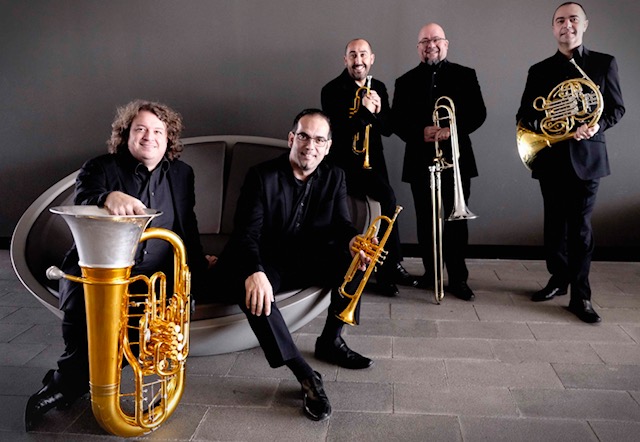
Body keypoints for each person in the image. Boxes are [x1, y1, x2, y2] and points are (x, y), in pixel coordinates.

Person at [25, 100, 216, 430]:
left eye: (158, 131)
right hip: (99, 273)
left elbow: (187, 223)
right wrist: (106, 197)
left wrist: (196, 266)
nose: (149, 137)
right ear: (126, 134)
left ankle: (83, 382)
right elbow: (84, 195)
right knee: (86, 334)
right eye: (140, 129)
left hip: (156, 275)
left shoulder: (182, 173)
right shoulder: (100, 167)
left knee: (144, 338)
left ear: (169, 138)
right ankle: (66, 383)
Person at [212, 109, 374, 422]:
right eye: (303, 136)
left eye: (319, 140)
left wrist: (354, 241)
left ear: (328, 146)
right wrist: (255, 271)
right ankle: (305, 374)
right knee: (256, 294)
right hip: (263, 259)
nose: (310, 146)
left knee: (357, 262)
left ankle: (331, 341)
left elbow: (341, 224)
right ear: (291, 139)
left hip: (304, 259)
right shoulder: (261, 176)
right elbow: (246, 233)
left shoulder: (335, 176)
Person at [516, 2, 625, 322]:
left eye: (573, 19)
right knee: (554, 227)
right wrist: (552, 122)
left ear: (584, 24)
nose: (567, 25)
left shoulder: (604, 63)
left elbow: (616, 108)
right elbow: (525, 116)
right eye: (560, 20)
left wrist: (595, 126)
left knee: (580, 230)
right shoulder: (539, 70)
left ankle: (581, 296)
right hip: (551, 156)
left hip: (587, 158)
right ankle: (558, 278)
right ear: (553, 28)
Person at [392, 23, 486, 301]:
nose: (430, 45)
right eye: (424, 41)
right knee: (426, 221)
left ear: (446, 44)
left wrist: (451, 129)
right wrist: (420, 132)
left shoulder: (465, 75)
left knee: (456, 223)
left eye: (435, 40)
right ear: (418, 47)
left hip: (456, 159)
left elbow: (478, 113)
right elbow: (397, 121)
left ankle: (458, 279)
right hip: (420, 160)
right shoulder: (404, 81)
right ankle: (431, 274)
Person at [321, 38, 417, 297]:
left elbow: (387, 129)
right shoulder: (331, 90)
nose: (358, 60)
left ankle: (388, 267)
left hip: (373, 163)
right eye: (353, 55)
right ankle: (386, 269)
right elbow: (338, 132)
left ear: (371, 59)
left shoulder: (379, 87)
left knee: (387, 205)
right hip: (344, 166)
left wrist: (378, 110)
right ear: (345, 60)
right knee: (386, 200)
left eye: (363, 54)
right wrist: (364, 112)